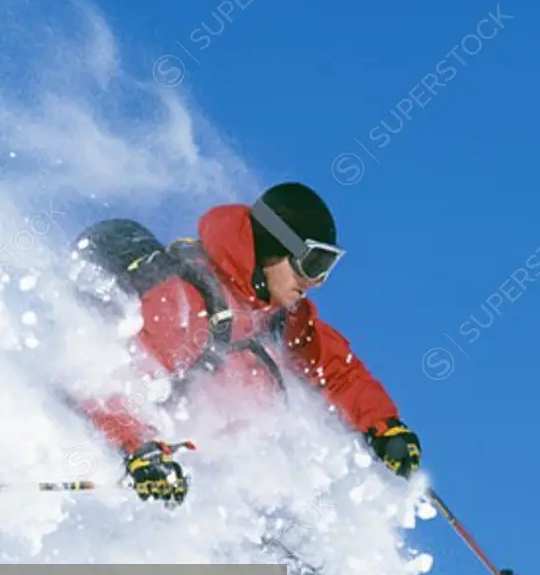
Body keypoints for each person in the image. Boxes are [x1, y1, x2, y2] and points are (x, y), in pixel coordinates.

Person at [73, 182, 421, 506]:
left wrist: (382, 425)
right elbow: (107, 383)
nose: (315, 282)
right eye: (312, 264)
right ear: (273, 246)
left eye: (326, 268)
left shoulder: (277, 317)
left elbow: (334, 369)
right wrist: (141, 449)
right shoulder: (183, 307)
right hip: (139, 468)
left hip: (221, 484)